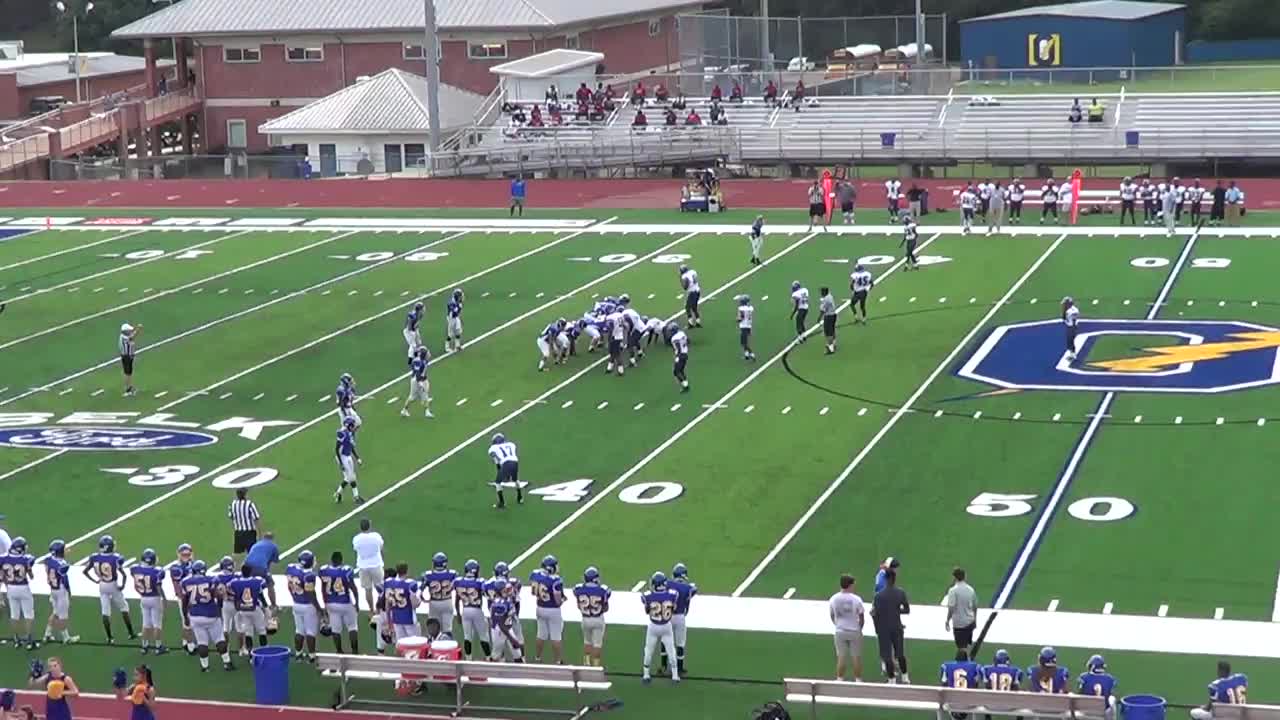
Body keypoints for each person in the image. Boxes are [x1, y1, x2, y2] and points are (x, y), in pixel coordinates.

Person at [180, 561, 234, 672]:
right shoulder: (212, 580)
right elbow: (218, 595)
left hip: (195, 615)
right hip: (211, 613)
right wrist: (219, 607)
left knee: (201, 642)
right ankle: (227, 662)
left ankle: (205, 666)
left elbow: (184, 601)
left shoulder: (185, 582)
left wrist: (185, 615)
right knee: (219, 639)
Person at [86, 535, 136, 643]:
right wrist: (122, 585)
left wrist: (95, 580)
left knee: (105, 611)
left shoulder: (94, 557)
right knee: (124, 608)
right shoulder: (115, 558)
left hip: (102, 584)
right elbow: (124, 574)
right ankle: (131, 633)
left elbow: (85, 571)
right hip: (113, 584)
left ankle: (109, 637)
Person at [870, 568, 910, 684]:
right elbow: (907, 610)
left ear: (885, 579)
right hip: (897, 626)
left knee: (887, 655)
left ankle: (892, 678)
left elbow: (874, 614)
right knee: (900, 653)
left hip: (884, 628)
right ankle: (905, 676)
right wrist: (897, 611)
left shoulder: (878, 596)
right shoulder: (900, 592)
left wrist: (877, 627)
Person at [640, 572, 679, 684]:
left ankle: (646, 674)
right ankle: (675, 676)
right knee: (671, 650)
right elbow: (674, 608)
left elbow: (647, 610)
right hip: (666, 625)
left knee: (649, 650)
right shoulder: (672, 594)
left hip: (654, 625)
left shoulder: (648, 595)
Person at [319, 551, 360, 655]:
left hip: (331, 603)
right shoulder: (346, 570)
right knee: (352, 627)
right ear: (341, 560)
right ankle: (354, 651)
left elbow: (323, 588)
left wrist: (325, 603)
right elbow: (353, 587)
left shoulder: (324, 570)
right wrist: (357, 602)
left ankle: (339, 651)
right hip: (345, 602)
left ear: (331, 560)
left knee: (335, 629)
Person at [226, 564, 269, 656]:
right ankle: (264, 652)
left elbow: (228, 588)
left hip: (243, 610)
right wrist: (266, 607)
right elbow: (261, 594)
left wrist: (236, 596)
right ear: (251, 572)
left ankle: (250, 655)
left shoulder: (235, 582)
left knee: (248, 632)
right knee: (261, 630)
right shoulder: (257, 581)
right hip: (255, 608)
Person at [829, 574, 865, 682]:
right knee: (856, 656)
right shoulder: (856, 599)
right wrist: (859, 628)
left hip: (840, 630)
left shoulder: (834, 598)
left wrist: (837, 624)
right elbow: (861, 616)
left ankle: (840, 678)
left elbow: (831, 615)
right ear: (850, 585)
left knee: (841, 656)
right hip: (854, 630)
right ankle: (858, 679)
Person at [529, 555, 565, 664]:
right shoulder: (556, 580)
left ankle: (538, 657)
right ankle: (558, 661)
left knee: (541, 634)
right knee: (556, 636)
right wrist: (563, 600)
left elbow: (533, 592)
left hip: (540, 607)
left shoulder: (535, 575)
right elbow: (558, 600)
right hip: (553, 609)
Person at [286, 551, 321, 662]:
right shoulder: (309, 575)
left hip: (296, 603)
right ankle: (311, 656)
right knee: (310, 632)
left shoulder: (291, 568)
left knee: (299, 630)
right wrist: (319, 608)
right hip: (307, 605)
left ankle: (298, 654)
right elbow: (311, 593)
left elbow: (289, 583)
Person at [572, 566, 611, 667]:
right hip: (597, 618)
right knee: (597, 644)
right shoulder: (603, 590)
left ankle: (586, 662)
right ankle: (596, 665)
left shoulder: (578, 589)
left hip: (585, 618)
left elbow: (578, 605)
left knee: (587, 641)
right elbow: (606, 608)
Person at [41, 541, 78, 646]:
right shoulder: (63, 565)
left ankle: (47, 634)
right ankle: (66, 638)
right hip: (61, 591)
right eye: (64, 549)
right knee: (62, 616)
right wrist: (69, 592)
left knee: (55, 612)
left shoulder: (47, 561)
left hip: (53, 589)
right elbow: (65, 581)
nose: (66, 550)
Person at [2, 539, 36, 649]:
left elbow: (2, 576)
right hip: (23, 587)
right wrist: (29, 570)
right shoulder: (26, 559)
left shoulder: (3, 558)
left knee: (14, 615)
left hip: (11, 588)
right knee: (28, 615)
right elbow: (31, 576)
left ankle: (16, 639)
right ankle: (30, 641)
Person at [130, 550, 166, 655]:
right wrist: (164, 598)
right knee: (157, 624)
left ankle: (144, 646)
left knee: (145, 624)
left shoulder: (135, 569)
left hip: (143, 598)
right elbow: (158, 586)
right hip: (154, 598)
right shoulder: (157, 572)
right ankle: (158, 647)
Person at [664, 564, 697, 676]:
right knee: (680, 643)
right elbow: (692, 591)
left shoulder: (667, 584)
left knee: (665, 641)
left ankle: (664, 666)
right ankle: (680, 668)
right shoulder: (688, 588)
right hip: (680, 616)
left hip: (668, 616)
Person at [351, 519, 384, 620]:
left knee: (367, 590)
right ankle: (381, 609)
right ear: (370, 526)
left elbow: (355, 548)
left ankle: (371, 610)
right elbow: (381, 546)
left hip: (363, 566)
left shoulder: (357, 539)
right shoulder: (376, 536)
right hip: (376, 565)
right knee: (381, 589)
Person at [380, 563, 421, 640]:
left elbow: (387, 605)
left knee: (401, 645)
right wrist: (419, 599)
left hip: (396, 618)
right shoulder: (410, 584)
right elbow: (414, 604)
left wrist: (389, 622)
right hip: (409, 619)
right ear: (407, 570)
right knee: (414, 644)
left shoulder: (388, 582)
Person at [943, 568, 978, 653]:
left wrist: (947, 620)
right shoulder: (970, 589)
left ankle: (964, 664)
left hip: (959, 623)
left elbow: (951, 608)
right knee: (968, 645)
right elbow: (975, 606)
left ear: (954, 577)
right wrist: (975, 619)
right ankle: (969, 661)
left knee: (961, 648)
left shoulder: (953, 591)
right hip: (970, 621)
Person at [243, 532, 280, 612]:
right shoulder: (273, 546)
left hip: (246, 566)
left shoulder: (256, 544)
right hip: (260, 567)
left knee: (249, 584)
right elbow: (274, 561)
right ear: (272, 539)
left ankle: (247, 602)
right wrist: (267, 572)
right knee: (270, 584)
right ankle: (273, 605)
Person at [333, 417, 363, 504]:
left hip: (348, 456)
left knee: (350, 477)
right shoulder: (343, 434)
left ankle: (338, 493)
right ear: (348, 425)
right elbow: (336, 449)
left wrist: (357, 457)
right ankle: (356, 497)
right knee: (351, 477)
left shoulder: (351, 433)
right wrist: (341, 463)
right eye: (352, 425)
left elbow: (351, 446)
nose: (353, 426)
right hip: (342, 457)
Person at [489, 432, 522, 508]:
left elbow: (494, 456)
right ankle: (520, 497)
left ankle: (501, 502)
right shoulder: (511, 444)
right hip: (515, 462)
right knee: (515, 479)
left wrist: (498, 460)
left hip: (506, 463)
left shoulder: (493, 448)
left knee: (497, 482)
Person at [227, 488, 260, 561]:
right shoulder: (250, 504)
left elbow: (231, 517)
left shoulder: (232, 504)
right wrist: (259, 533)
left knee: (238, 554)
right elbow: (256, 518)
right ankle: (250, 570)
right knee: (252, 553)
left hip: (238, 532)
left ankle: (237, 570)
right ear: (245, 495)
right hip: (249, 532)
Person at [400, 346, 433, 418]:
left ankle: (427, 411)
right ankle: (404, 410)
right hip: (417, 380)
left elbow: (414, 367)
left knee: (425, 394)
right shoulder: (423, 363)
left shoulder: (416, 360)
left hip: (421, 379)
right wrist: (420, 383)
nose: (429, 354)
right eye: (427, 353)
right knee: (413, 397)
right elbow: (418, 374)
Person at [119, 323, 142, 397]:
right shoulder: (123, 337)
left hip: (128, 356)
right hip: (126, 357)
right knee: (127, 373)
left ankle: (129, 387)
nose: (130, 331)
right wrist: (138, 330)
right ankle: (128, 389)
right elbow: (131, 338)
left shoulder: (125, 336)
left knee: (129, 373)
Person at [670, 323, 690, 393]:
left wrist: (678, 357)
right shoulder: (682, 333)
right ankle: (686, 384)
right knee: (681, 370)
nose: (670, 332)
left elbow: (678, 348)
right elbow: (688, 341)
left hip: (680, 355)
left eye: (671, 330)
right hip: (685, 354)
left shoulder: (674, 338)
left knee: (676, 371)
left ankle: (685, 386)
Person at [737, 295, 756, 361]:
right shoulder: (750, 308)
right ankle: (746, 355)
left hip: (743, 326)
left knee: (743, 343)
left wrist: (738, 320)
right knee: (745, 341)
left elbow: (741, 317)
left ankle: (752, 354)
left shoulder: (741, 308)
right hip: (749, 326)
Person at [819, 287, 838, 354]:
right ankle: (834, 343)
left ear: (824, 292)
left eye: (821, 292)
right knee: (832, 330)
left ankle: (831, 349)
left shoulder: (826, 299)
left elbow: (822, 310)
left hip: (828, 316)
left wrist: (819, 318)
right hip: (833, 315)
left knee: (828, 333)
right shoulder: (830, 296)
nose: (820, 293)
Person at [1063, 296, 1080, 361]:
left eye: (1065, 304)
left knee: (1070, 341)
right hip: (1071, 326)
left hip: (1072, 327)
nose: (1064, 305)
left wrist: (1072, 327)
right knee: (1069, 341)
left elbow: (1073, 318)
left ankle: (1073, 355)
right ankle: (1072, 353)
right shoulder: (1071, 309)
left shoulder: (1071, 310)